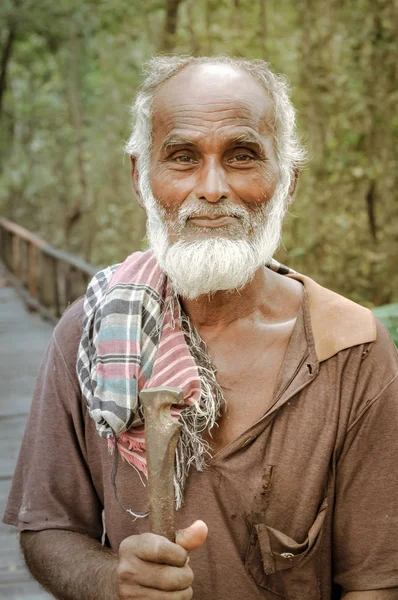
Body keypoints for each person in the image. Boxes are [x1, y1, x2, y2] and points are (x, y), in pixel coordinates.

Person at [4, 56, 398, 600]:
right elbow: (47, 528)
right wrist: (111, 581)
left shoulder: (351, 348)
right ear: (142, 178)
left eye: (242, 156)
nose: (211, 188)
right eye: (183, 157)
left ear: (288, 181)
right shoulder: (90, 333)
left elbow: (377, 582)